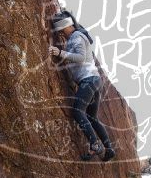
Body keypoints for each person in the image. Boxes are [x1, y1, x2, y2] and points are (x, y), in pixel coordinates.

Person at [49, 11, 116, 161]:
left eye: (60, 31)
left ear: (65, 27)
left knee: (77, 112)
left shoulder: (76, 37)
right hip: (94, 81)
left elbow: (79, 58)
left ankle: (95, 144)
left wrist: (60, 52)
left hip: (89, 80)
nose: (61, 35)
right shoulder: (80, 35)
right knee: (92, 117)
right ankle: (109, 149)